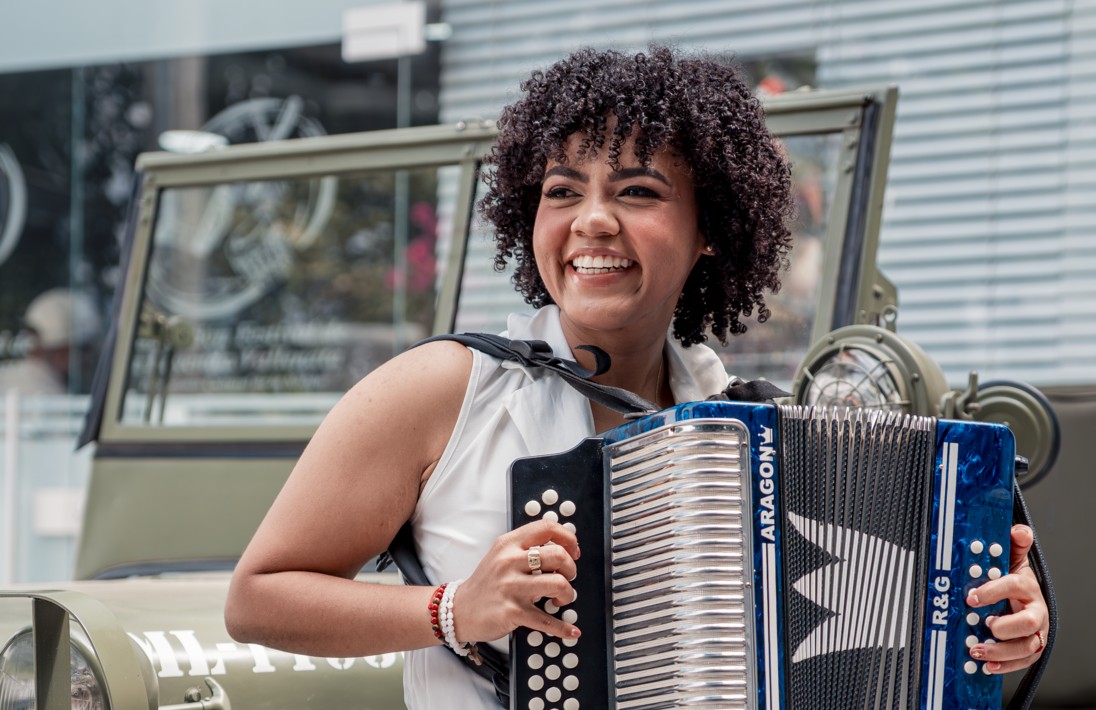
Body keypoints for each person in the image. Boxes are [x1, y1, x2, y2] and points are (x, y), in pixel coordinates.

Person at [225, 47, 1050, 708]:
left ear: (709, 232)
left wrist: (992, 628)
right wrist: (453, 610)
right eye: (561, 190)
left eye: (637, 190)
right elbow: (258, 599)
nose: (591, 219)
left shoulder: (745, 426)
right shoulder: (442, 387)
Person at [0, 288, 101, 395]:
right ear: (61, 350)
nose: (87, 358)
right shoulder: (42, 391)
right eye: (83, 349)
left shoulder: (53, 384)